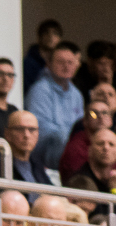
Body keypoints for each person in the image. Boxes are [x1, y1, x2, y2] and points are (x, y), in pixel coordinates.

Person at [28, 41, 84, 172]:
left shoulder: (77, 94)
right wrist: (70, 139)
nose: (66, 66)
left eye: (70, 62)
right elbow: (40, 127)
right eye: (61, 62)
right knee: (60, 135)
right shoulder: (40, 90)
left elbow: (80, 127)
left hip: (68, 149)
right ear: (49, 64)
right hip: (45, 153)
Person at [59, 100, 113, 182]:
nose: (100, 117)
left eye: (104, 113)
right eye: (94, 113)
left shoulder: (114, 142)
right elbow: (79, 181)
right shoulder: (76, 147)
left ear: (111, 120)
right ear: (85, 121)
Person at [6, 111, 51, 196]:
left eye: (32, 130)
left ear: (38, 134)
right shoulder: (0, 164)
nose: (26, 135)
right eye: (20, 129)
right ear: (7, 133)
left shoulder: (36, 163)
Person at [23, 18, 61, 94]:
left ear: (60, 38)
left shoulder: (61, 62)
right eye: (46, 33)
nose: (51, 36)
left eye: (55, 33)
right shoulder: (28, 63)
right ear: (39, 36)